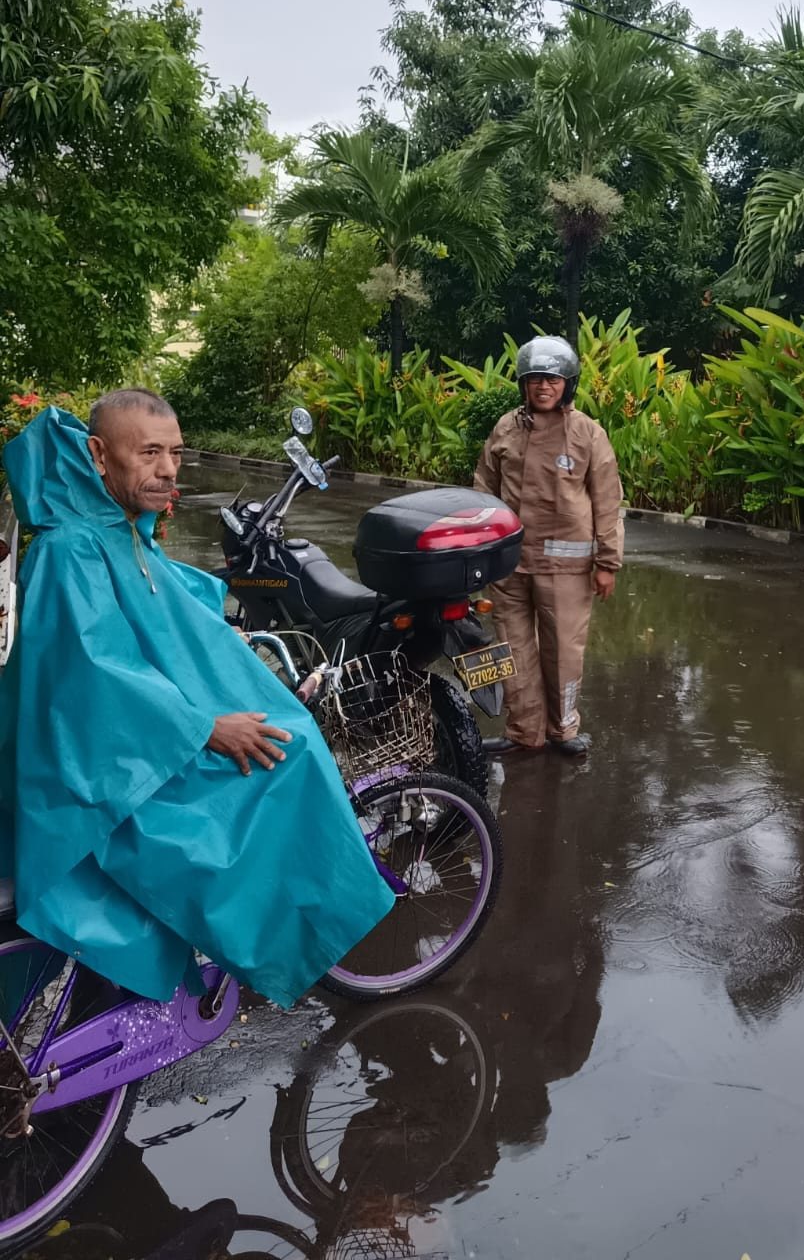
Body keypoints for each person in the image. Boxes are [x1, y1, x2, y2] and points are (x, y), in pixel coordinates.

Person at [0, 390, 393, 1007]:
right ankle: (291, 941)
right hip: (97, 767)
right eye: (149, 453)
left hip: (133, 738)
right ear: (98, 455)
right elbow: (96, 674)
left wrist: (217, 624)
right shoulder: (69, 549)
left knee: (290, 740)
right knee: (281, 774)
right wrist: (204, 729)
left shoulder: (116, 526)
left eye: (176, 454)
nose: (167, 470)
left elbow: (160, 597)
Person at [473, 337, 622, 757]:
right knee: (512, 647)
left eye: (552, 380)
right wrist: (480, 547)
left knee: (563, 652)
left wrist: (607, 563)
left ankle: (564, 729)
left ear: (567, 384)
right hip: (508, 563)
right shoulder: (505, 427)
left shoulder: (587, 433)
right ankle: (524, 731)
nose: (543, 387)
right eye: (535, 379)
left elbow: (607, 500)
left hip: (565, 567)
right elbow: (484, 487)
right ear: (523, 384)